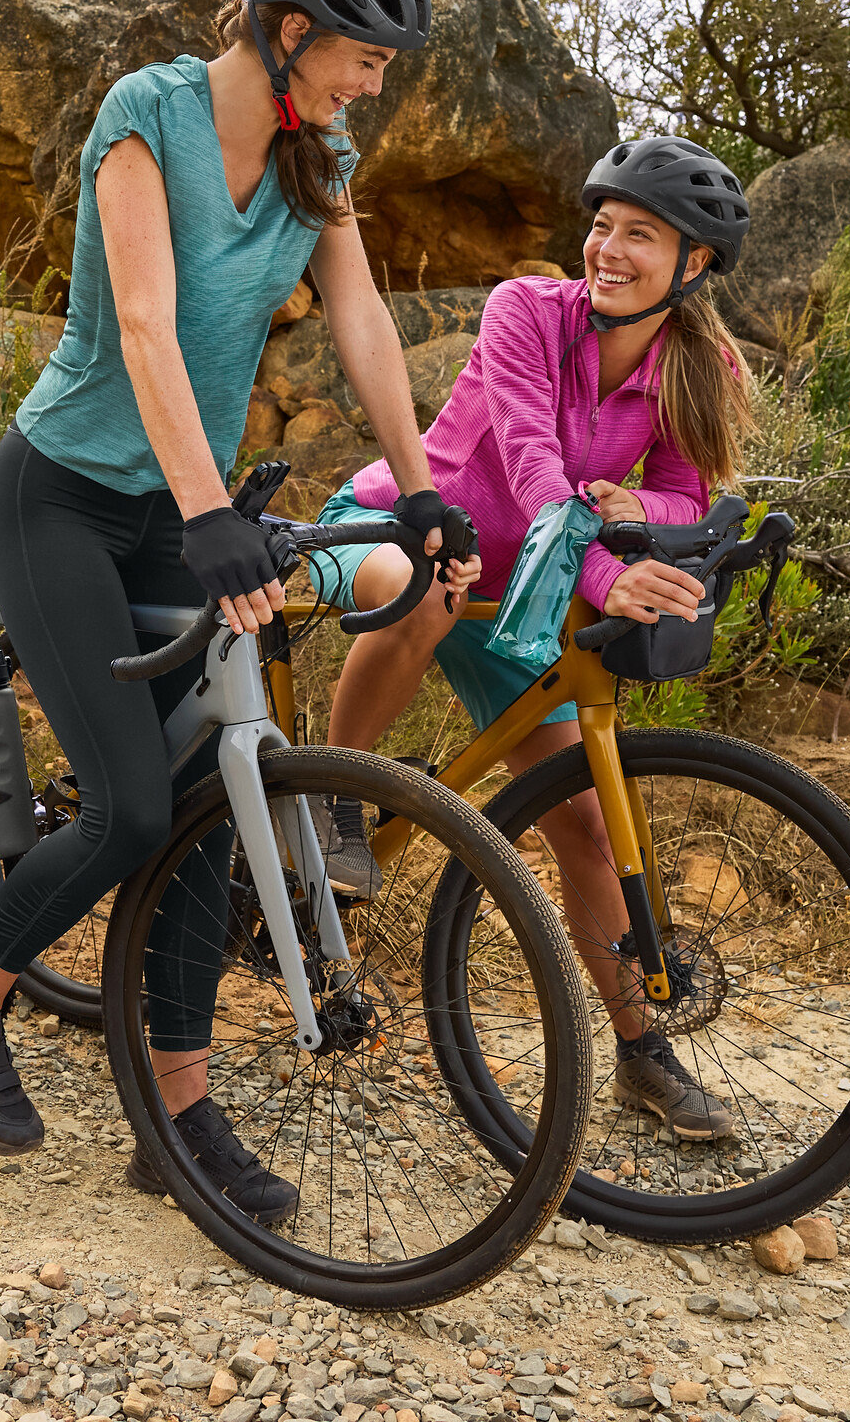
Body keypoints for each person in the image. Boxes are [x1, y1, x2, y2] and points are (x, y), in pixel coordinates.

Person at [0, 0, 475, 1228]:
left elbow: (367, 322)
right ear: (286, 28)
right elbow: (146, 330)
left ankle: (177, 1111)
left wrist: (425, 490)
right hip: (67, 498)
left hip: (180, 502)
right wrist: (212, 516)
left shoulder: (315, 163)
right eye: (362, 59)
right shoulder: (147, 114)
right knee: (130, 807)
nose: (369, 90)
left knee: (216, 797)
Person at [309, 135, 758, 1141]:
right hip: (403, 530)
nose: (607, 248)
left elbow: (687, 492)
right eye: (602, 226)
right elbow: (527, 464)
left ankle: (643, 1053)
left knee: (588, 826)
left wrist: (639, 501)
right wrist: (605, 567)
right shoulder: (525, 311)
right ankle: (336, 797)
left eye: (640, 235)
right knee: (425, 589)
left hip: (523, 594)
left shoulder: (702, 365)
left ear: (693, 267)